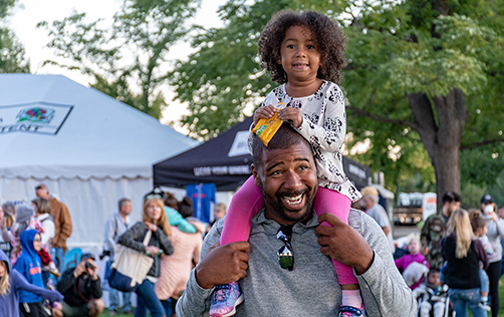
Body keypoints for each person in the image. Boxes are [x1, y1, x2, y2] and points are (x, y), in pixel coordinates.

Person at [211, 10, 364, 317]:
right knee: (240, 201)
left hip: (325, 178)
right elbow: (262, 147)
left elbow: (335, 141)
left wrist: (302, 122)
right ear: (277, 56)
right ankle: (227, 285)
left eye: (310, 46)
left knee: (334, 227)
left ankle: (351, 296)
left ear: (324, 55)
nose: (300, 54)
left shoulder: (330, 93)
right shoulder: (275, 95)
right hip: (280, 176)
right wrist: (257, 126)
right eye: (291, 46)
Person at [176, 122, 416, 316]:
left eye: (302, 167)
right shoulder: (224, 235)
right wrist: (202, 279)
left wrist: (365, 260)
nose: (293, 183)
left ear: (317, 166)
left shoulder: (358, 228)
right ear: (257, 177)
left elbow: (404, 313)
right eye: (277, 171)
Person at [117, 197, 174, 317]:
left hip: (152, 277)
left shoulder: (160, 229)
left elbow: (170, 250)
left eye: (158, 207)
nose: (155, 210)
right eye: (151, 207)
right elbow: (123, 238)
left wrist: (157, 231)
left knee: (141, 311)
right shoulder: (141, 226)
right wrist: (145, 248)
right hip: (141, 275)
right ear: (145, 210)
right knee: (158, 312)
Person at [154, 196, 204, 317]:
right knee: (178, 307)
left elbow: (163, 251)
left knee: (159, 303)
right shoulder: (197, 233)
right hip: (184, 274)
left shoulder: (170, 230)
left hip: (167, 271)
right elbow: (199, 258)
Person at [442, 209, 488, 317]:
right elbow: (486, 261)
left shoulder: (445, 241)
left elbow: (445, 259)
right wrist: (480, 272)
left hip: (454, 286)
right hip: (472, 285)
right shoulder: (475, 242)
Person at [0, 249, 63, 317]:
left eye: (2, 264)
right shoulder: (23, 259)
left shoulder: (13, 276)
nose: (0, 269)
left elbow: (31, 288)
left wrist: (52, 295)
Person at [14, 229, 62, 317]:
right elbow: (16, 280)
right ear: (28, 241)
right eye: (36, 240)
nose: (39, 242)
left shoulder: (37, 257)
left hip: (37, 299)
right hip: (26, 300)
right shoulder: (23, 259)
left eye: (40, 240)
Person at [103, 198, 133, 315]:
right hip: (116, 257)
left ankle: (127, 306)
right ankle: (113, 306)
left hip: (128, 256)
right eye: (129, 206)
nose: (131, 209)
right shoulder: (113, 220)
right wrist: (117, 251)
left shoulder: (129, 221)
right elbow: (108, 238)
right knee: (114, 282)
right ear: (122, 208)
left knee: (127, 281)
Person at [35, 184, 73, 276]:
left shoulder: (60, 206)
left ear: (47, 193)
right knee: (45, 276)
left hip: (57, 248)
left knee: (58, 276)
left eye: (40, 196)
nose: (38, 199)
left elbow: (68, 227)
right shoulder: (39, 208)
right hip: (44, 249)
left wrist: (58, 243)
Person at [420, 191, 461, 269]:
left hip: (451, 261)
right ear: (446, 204)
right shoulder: (432, 219)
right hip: (434, 261)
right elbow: (424, 235)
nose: (457, 208)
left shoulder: (458, 221)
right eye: (455, 205)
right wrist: (425, 246)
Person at [478, 194, 504, 317]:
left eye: (490, 204)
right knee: (480, 287)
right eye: (485, 204)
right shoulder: (479, 219)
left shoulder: (498, 221)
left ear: (493, 206)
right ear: (482, 206)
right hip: (481, 259)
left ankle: (494, 314)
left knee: (493, 289)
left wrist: (496, 220)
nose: (488, 206)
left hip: (495, 258)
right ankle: (481, 312)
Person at [57, 252, 103, 317]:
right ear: (80, 262)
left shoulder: (93, 277)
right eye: (86, 262)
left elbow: (98, 295)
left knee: (99, 304)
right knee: (55, 306)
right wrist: (75, 274)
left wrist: (94, 277)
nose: (88, 265)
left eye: (90, 263)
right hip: (67, 305)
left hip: (84, 306)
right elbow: (60, 289)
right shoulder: (69, 272)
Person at [31, 197, 58, 286]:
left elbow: (42, 240)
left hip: (43, 261)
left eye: (34, 206)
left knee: (41, 285)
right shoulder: (35, 221)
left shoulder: (47, 222)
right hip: (35, 259)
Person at [469, 210, 493, 311]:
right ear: (480, 229)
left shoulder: (468, 238)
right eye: (486, 228)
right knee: (483, 277)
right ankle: (484, 299)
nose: (486, 230)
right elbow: (490, 252)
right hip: (478, 267)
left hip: (470, 268)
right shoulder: (481, 240)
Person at [359, 186, 394, 253]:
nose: (362, 199)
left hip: (384, 251)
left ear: (371, 199)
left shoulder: (377, 209)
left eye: (364, 197)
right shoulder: (369, 210)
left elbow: (386, 229)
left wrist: (376, 245)